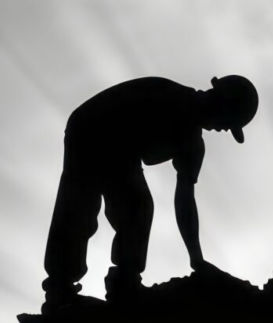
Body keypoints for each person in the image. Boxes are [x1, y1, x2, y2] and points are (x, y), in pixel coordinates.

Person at [40, 75, 258, 310]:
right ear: (220, 100)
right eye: (229, 120)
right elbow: (118, 132)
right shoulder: (169, 96)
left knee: (133, 205)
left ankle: (118, 281)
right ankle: (69, 286)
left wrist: (196, 258)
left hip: (118, 143)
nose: (224, 128)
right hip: (94, 125)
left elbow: (184, 200)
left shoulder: (193, 145)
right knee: (92, 205)